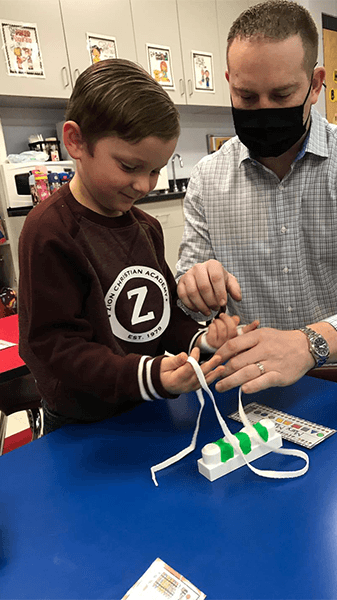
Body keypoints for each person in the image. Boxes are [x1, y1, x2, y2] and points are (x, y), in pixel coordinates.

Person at [18, 59, 257, 434]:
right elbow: (54, 348)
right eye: (129, 167)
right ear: (76, 141)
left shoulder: (145, 227)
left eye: (155, 170)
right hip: (81, 425)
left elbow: (161, 317)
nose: (145, 186)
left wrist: (202, 338)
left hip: (144, 407)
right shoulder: (50, 229)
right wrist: (146, 374)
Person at [176, 0, 337, 395]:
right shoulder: (207, 178)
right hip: (250, 388)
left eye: (281, 96)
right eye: (246, 96)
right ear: (229, 81)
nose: (263, 110)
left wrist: (308, 344)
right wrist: (193, 287)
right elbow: (192, 303)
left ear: (315, 85)